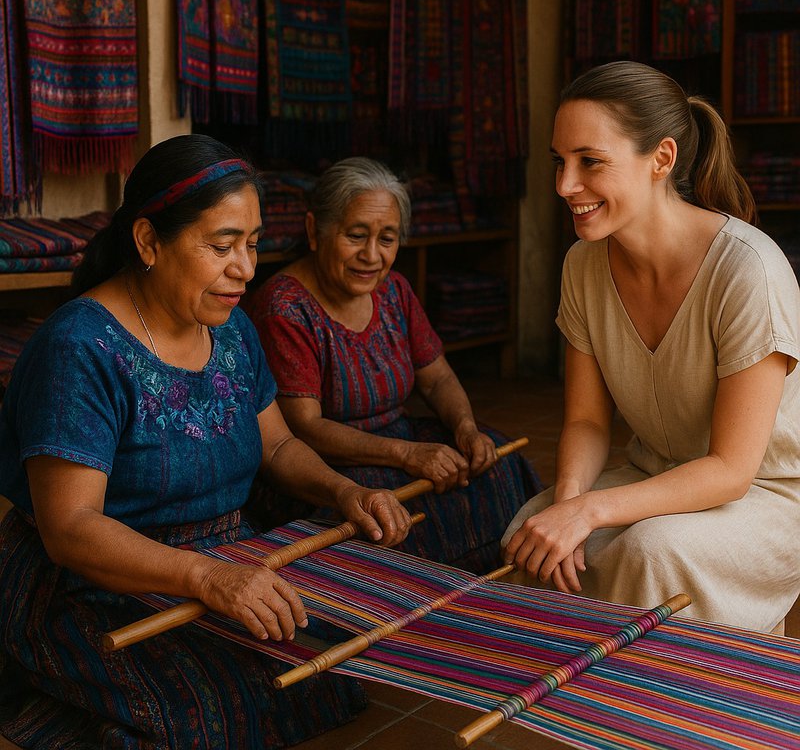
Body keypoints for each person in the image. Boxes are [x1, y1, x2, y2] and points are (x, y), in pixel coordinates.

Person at [0, 134, 414, 749]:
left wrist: (343, 488)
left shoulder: (232, 330)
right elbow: (71, 527)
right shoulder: (80, 348)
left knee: (327, 672)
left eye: (250, 244)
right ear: (148, 241)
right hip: (97, 586)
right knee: (208, 713)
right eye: (222, 245)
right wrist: (206, 578)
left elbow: (275, 447)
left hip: (221, 561)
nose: (246, 268)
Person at [502, 61, 800, 634]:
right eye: (559, 163)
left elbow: (732, 470)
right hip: (655, 474)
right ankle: (572, 708)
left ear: (661, 160)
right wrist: (568, 504)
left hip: (763, 498)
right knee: (532, 527)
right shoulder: (582, 266)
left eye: (590, 162)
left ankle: (662, 707)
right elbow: (588, 422)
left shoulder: (747, 271)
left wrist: (589, 511)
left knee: (653, 550)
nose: (565, 186)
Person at [246, 156, 541, 574]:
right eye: (355, 235)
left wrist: (466, 428)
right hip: (324, 465)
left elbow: (437, 378)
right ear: (315, 231)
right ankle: (423, 607)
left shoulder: (394, 291)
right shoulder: (285, 307)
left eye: (387, 238)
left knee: (497, 467)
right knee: (387, 515)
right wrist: (406, 455)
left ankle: (493, 588)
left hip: (400, 439)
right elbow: (303, 427)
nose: (371, 255)